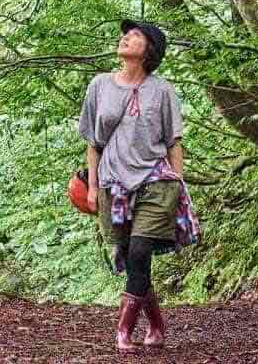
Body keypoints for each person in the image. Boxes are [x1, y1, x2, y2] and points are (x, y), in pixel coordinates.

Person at [77, 19, 200, 353]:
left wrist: (178, 182)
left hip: (155, 180)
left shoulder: (163, 90)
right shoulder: (99, 85)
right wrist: (92, 187)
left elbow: (174, 142)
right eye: (126, 34)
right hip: (113, 183)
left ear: (149, 50)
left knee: (140, 250)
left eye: (135, 36)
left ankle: (124, 331)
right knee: (129, 256)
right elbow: (93, 144)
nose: (126, 38)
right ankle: (156, 325)